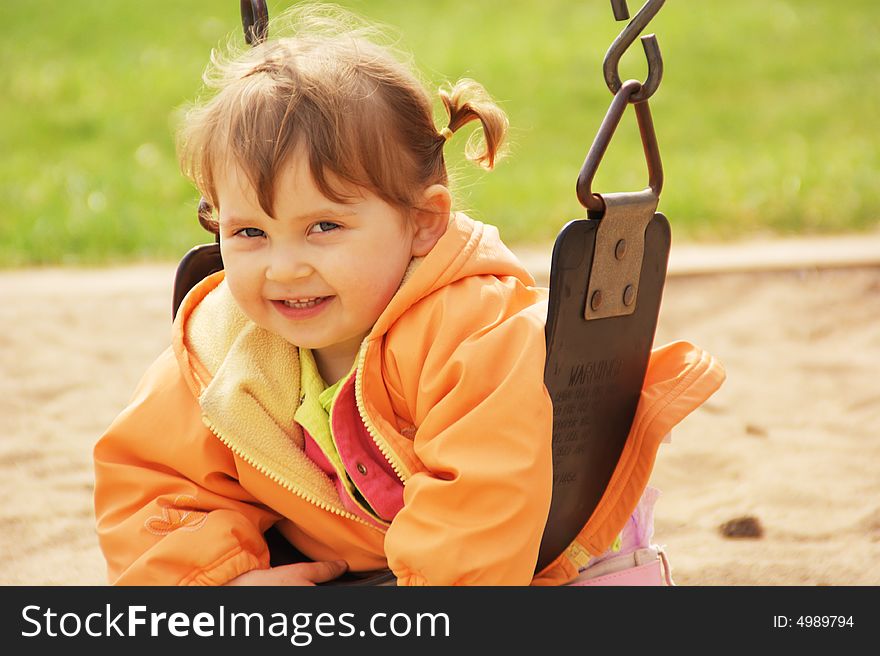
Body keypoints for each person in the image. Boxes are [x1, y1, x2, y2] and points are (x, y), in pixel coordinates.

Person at [93, 4, 723, 586]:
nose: (283, 269)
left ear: (423, 221)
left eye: (324, 227)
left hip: (543, 549)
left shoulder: (473, 332)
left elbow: (482, 500)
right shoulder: (222, 346)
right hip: (367, 562)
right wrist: (219, 579)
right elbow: (152, 479)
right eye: (250, 232)